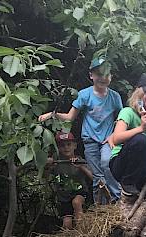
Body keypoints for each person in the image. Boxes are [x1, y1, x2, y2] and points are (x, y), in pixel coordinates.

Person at [38, 56, 122, 202]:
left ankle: (117, 200)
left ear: (111, 76)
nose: (103, 78)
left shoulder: (115, 97)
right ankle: (101, 207)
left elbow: (121, 119)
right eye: (99, 74)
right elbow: (70, 117)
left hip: (108, 139)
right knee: (97, 174)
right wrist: (52, 115)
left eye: (106, 74)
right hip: (90, 140)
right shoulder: (84, 94)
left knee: (107, 164)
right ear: (91, 75)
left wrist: (114, 135)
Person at [48, 131, 93, 229]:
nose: (66, 148)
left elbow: (93, 177)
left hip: (80, 193)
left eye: (69, 144)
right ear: (58, 148)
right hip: (64, 197)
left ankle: (82, 231)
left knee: (76, 202)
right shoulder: (56, 161)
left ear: (75, 145)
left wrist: (81, 167)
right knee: (67, 224)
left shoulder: (79, 160)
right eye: (62, 145)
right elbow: (44, 176)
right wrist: (48, 166)